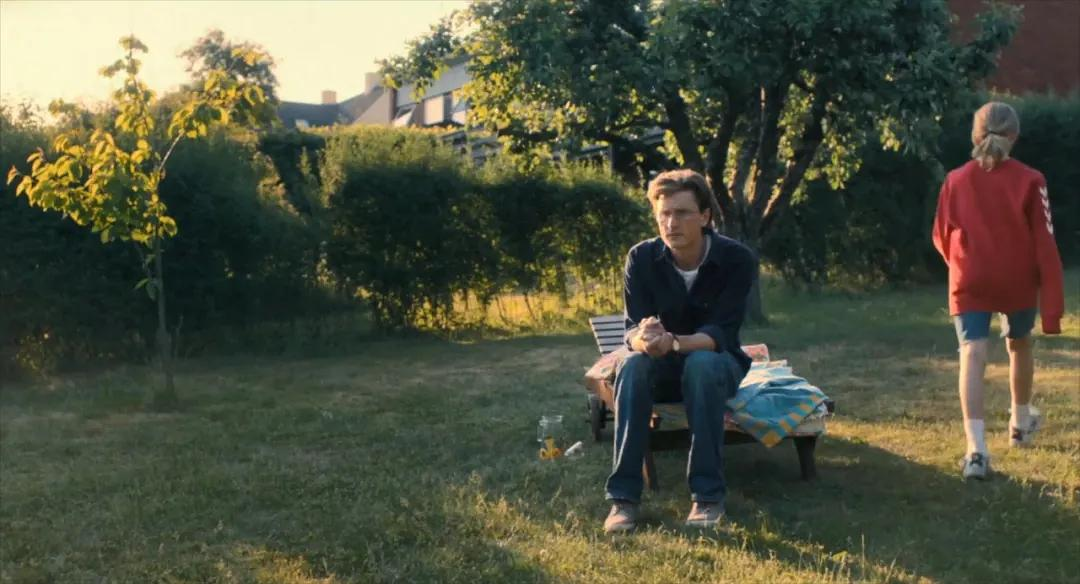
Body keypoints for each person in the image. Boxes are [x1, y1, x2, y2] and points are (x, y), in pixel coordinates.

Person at [603, 169, 756, 533]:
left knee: (701, 363)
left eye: (683, 213)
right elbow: (631, 330)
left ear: (705, 216)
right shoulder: (641, 258)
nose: (671, 223)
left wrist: (672, 341)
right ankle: (623, 500)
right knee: (632, 366)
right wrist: (645, 339)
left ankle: (707, 497)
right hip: (661, 365)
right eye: (664, 214)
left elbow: (720, 334)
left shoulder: (737, 259)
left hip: (718, 365)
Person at [932, 101, 1064, 481]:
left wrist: (962, 264)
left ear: (975, 135)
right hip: (1017, 278)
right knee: (1019, 344)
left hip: (969, 277)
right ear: (1015, 136)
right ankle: (1019, 424)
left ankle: (976, 452)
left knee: (972, 354)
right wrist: (1052, 302)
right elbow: (1044, 240)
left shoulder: (955, 179)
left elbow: (941, 235)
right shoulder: (1031, 180)